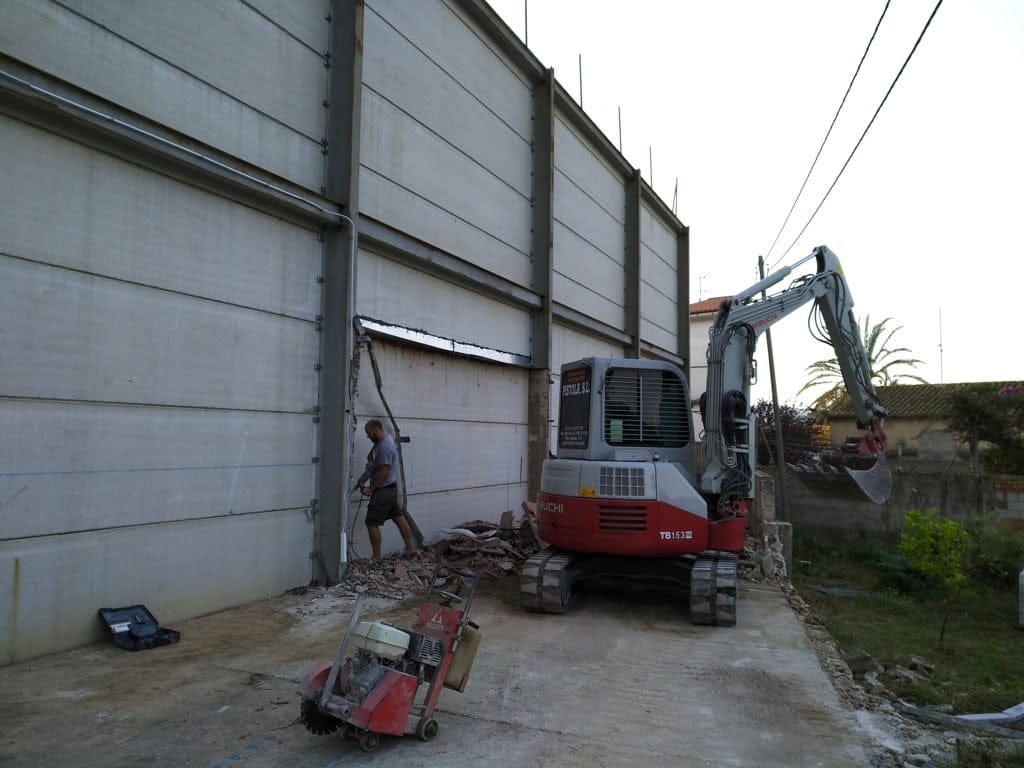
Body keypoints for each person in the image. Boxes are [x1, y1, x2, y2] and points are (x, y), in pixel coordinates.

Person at [360, 419, 416, 560]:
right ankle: (410, 549)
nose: (368, 436)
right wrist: (372, 460)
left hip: (383, 491)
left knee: (371, 523)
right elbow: (373, 455)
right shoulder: (386, 439)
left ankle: (376, 557)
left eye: (369, 434)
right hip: (391, 489)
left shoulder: (384, 447)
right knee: (399, 518)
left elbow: (384, 472)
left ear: (376, 431)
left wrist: (370, 489)